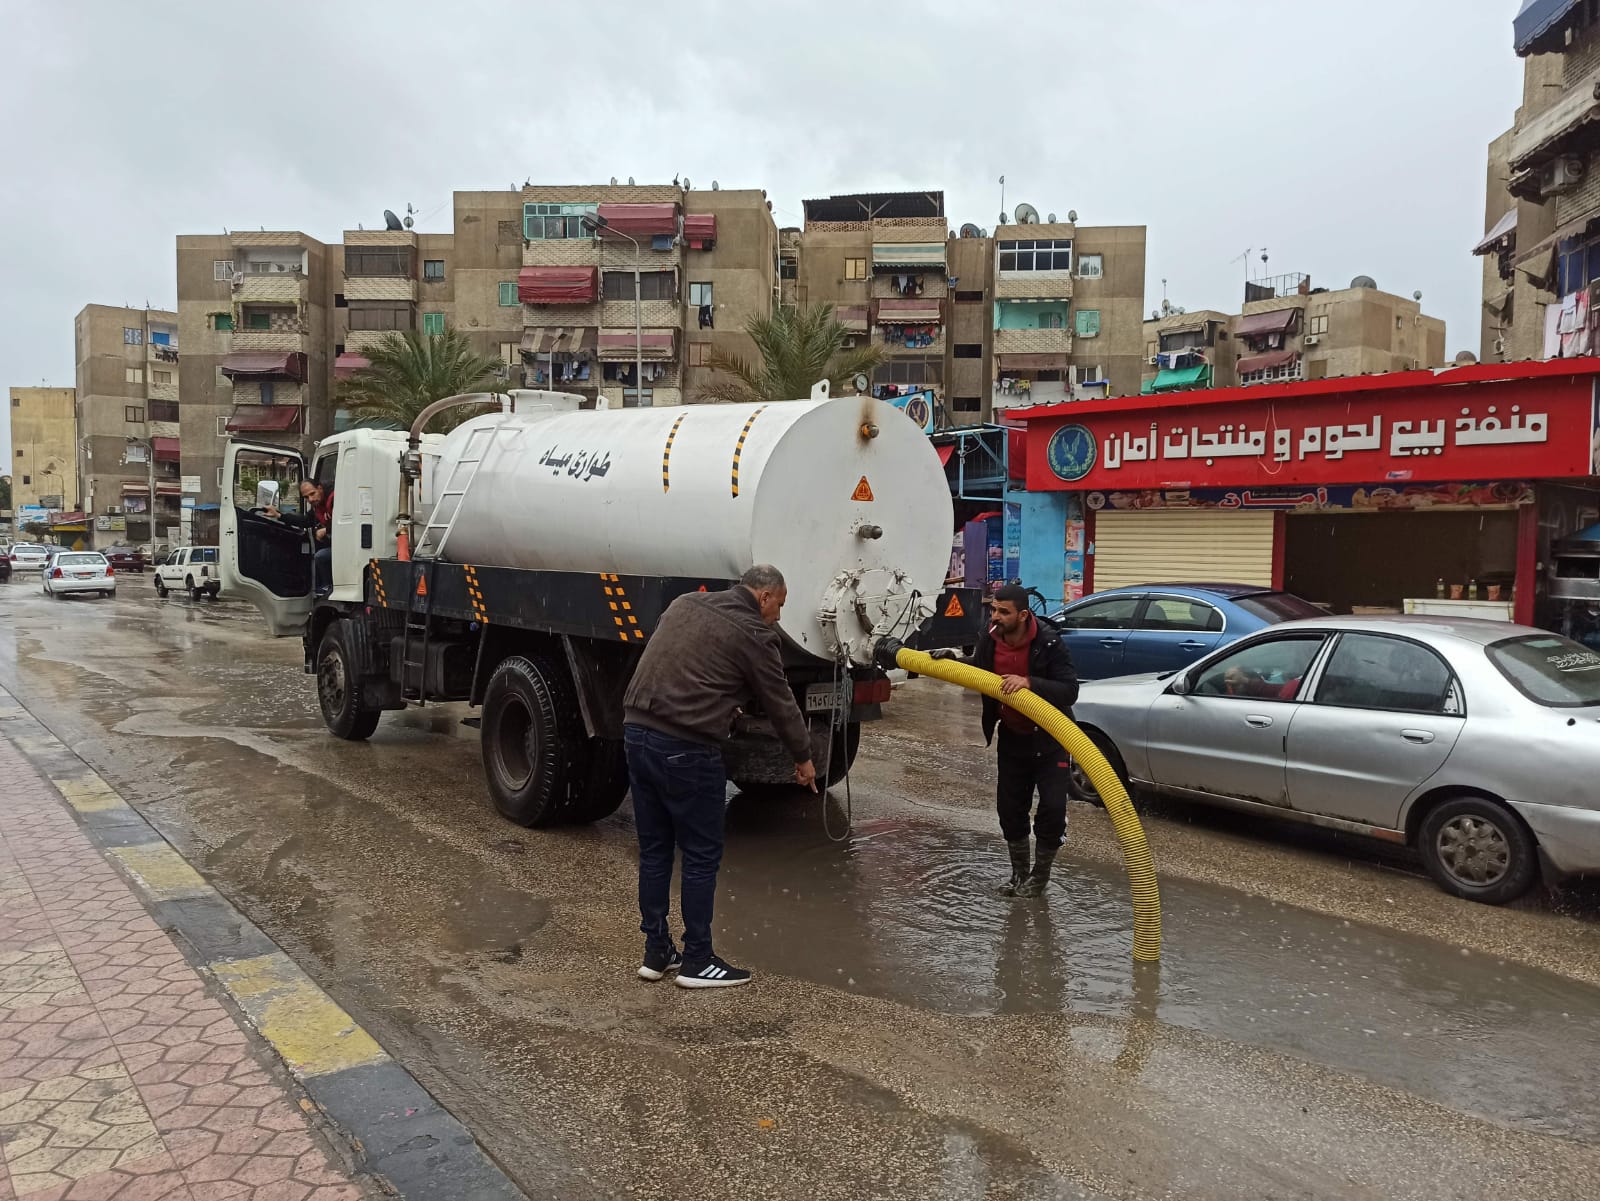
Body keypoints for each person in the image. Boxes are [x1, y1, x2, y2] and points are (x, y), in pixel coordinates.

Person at [622, 564, 817, 989]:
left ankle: (656, 954)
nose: (780, 617)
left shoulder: (685, 603)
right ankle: (697, 961)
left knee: (655, 850)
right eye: (780, 605)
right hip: (686, 748)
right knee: (700, 856)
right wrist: (803, 757)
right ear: (764, 596)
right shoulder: (755, 633)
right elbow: (780, 701)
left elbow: (682, 665)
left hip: (636, 735)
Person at [940, 583, 1079, 897]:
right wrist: (948, 661)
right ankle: (1019, 876)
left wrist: (1029, 683)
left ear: (1023, 614)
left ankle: (1039, 879)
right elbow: (979, 672)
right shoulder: (989, 639)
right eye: (993, 610)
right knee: (1010, 810)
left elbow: (1070, 690)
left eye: (1004, 612)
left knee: (1053, 810)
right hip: (1014, 739)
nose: (996, 617)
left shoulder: (1049, 642)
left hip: (1051, 738)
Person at [266, 479, 334, 597]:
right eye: (306, 497)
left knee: (321, 557)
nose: (311, 499)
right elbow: (305, 521)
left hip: (349, 548)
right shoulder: (317, 507)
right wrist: (279, 515)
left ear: (320, 488)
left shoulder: (335, 499)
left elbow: (348, 521)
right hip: (334, 545)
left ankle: (329, 588)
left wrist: (327, 530)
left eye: (312, 494)